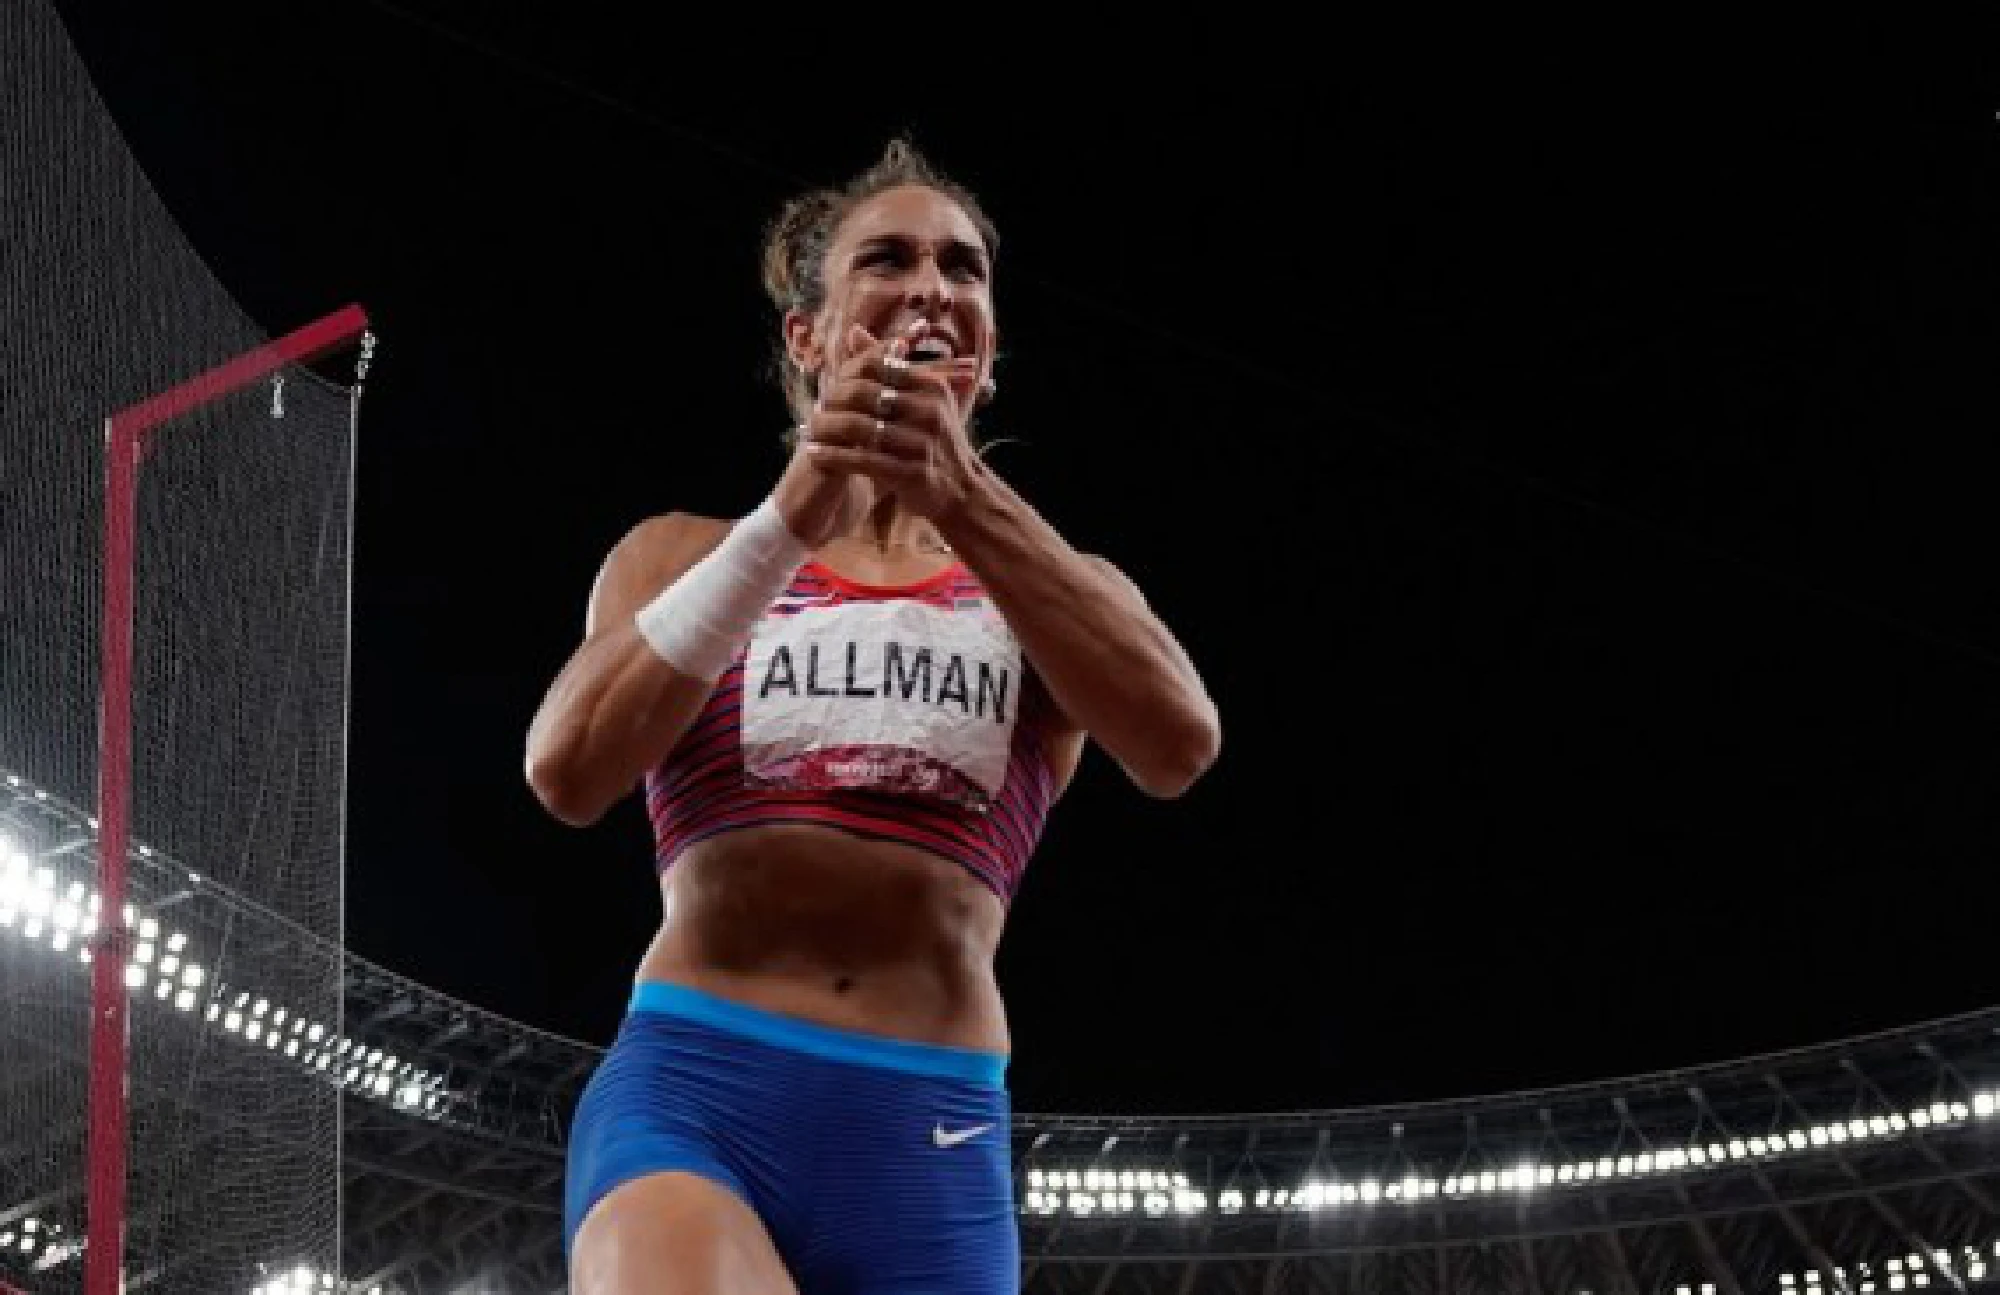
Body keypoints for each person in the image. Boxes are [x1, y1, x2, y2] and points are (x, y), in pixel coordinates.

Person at [525, 138, 1220, 1295]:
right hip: (699, 1086)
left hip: (925, 1128)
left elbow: (1176, 742)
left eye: (963, 267)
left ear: (987, 348)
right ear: (807, 334)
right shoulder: (679, 553)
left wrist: (962, 493)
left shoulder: (1047, 592)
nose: (931, 286)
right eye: (886, 259)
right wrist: (789, 520)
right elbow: (567, 769)